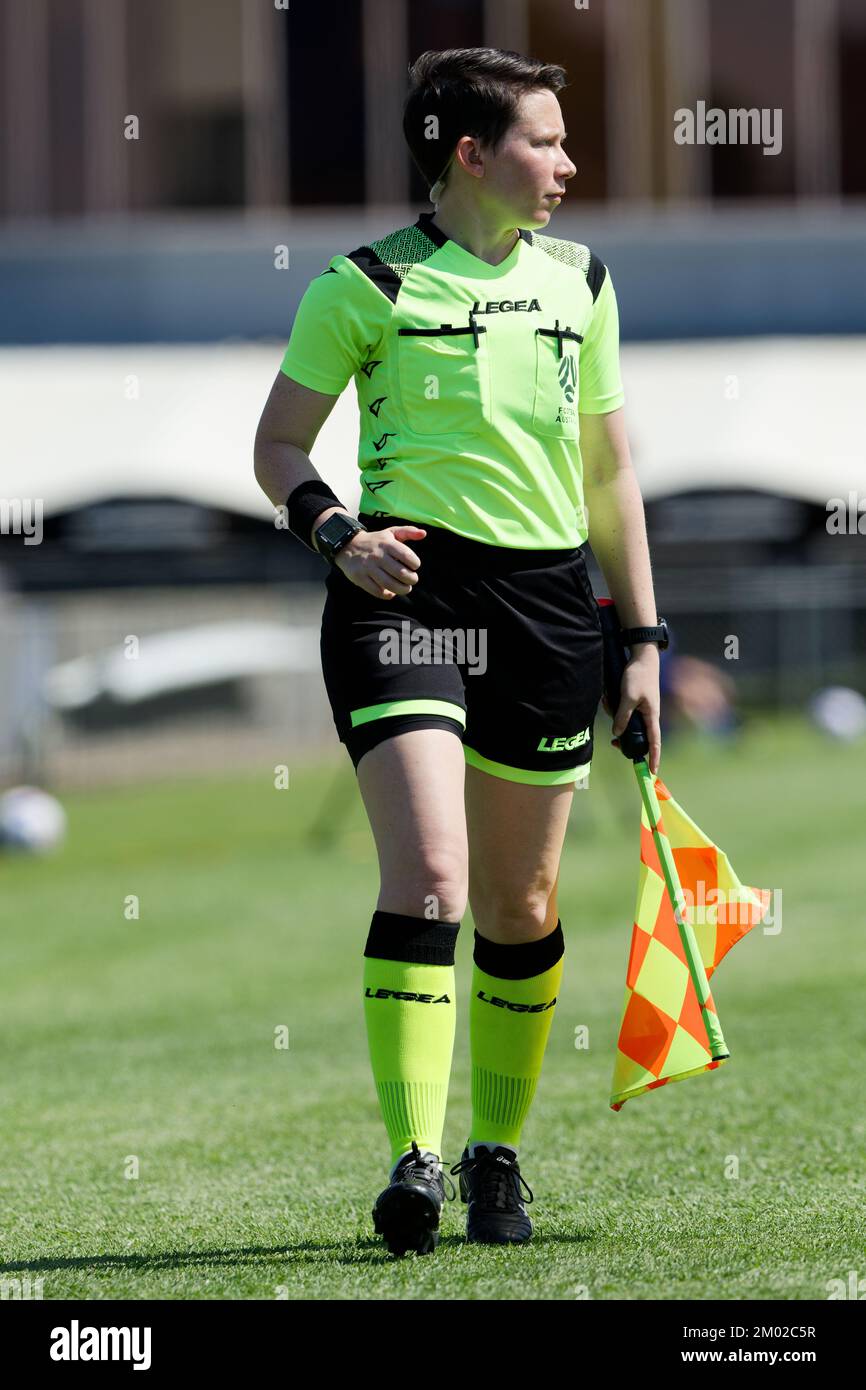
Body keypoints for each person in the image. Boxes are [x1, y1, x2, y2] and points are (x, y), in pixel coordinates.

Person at [254, 47, 663, 1258]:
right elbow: (278, 443)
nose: (566, 166)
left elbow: (609, 472)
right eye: (544, 141)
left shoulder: (582, 281)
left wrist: (637, 640)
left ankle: (497, 1154)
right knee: (430, 875)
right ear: (468, 154)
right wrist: (334, 532)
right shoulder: (363, 285)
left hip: (547, 604)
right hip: (406, 592)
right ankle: (413, 1160)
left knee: (519, 900)